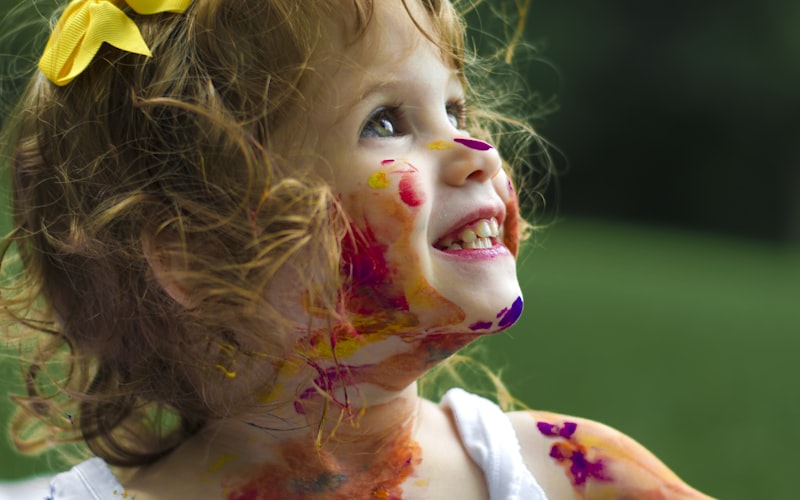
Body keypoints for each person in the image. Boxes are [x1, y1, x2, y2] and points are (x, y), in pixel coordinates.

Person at [0, 0, 714, 498]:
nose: (476, 151)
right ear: (197, 255)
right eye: (385, 121)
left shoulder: (568, 475)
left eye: (455, 109)